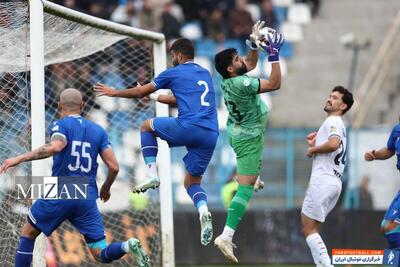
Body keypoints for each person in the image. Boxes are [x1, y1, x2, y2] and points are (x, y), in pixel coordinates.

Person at [0, 88, 150, 267]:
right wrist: (106, 188)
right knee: (100, 253)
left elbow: (56, 147)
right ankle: (127, 245)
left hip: (63, 188)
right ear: (82, 106)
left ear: (59, 106)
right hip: (87, 193)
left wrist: (19, 158)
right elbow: (114, 167)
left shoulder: (60, 125)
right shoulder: (98, 131)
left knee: (28, 234)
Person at [93, 38, 219, 246]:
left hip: (190, 126)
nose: (172, 60)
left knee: (145, 126)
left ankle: (152, 174)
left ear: (178, 55)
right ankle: (203, 211)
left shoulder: (174, 72)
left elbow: (141, 91)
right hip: (210, 133)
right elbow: (182, 99)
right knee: (192, 183)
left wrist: (114, 92)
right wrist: (155, 98)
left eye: (172, 56)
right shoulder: (204, 73)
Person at [213, 20, 284, 263]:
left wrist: (254, 45)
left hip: (238, 131)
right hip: (248, 137)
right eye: (236, 59)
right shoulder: (241, 83)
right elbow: (275, 83)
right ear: (231, 69)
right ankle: (226, 235)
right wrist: (273, 54)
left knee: (250, 176)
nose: (241, 60)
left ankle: (251, 175)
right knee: (245, 189)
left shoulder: (230, 78)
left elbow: (251, 62)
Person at [302, 86, 354, 267]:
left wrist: (313, 149)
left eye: (335, 98)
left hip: (323, 180)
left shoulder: (334, 120)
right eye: (330, 96)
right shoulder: (338, 124)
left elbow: (333, 144)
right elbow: (334, 146)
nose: (330, 99)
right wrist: (316, 143)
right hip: (334, 181)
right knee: (314, 227)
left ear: (343, 106)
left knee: (308, 227)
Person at [364, 118, 400, 249]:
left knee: (391, 228)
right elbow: (390, 150)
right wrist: (375, 155)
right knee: (386, 227)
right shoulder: (397, 130)